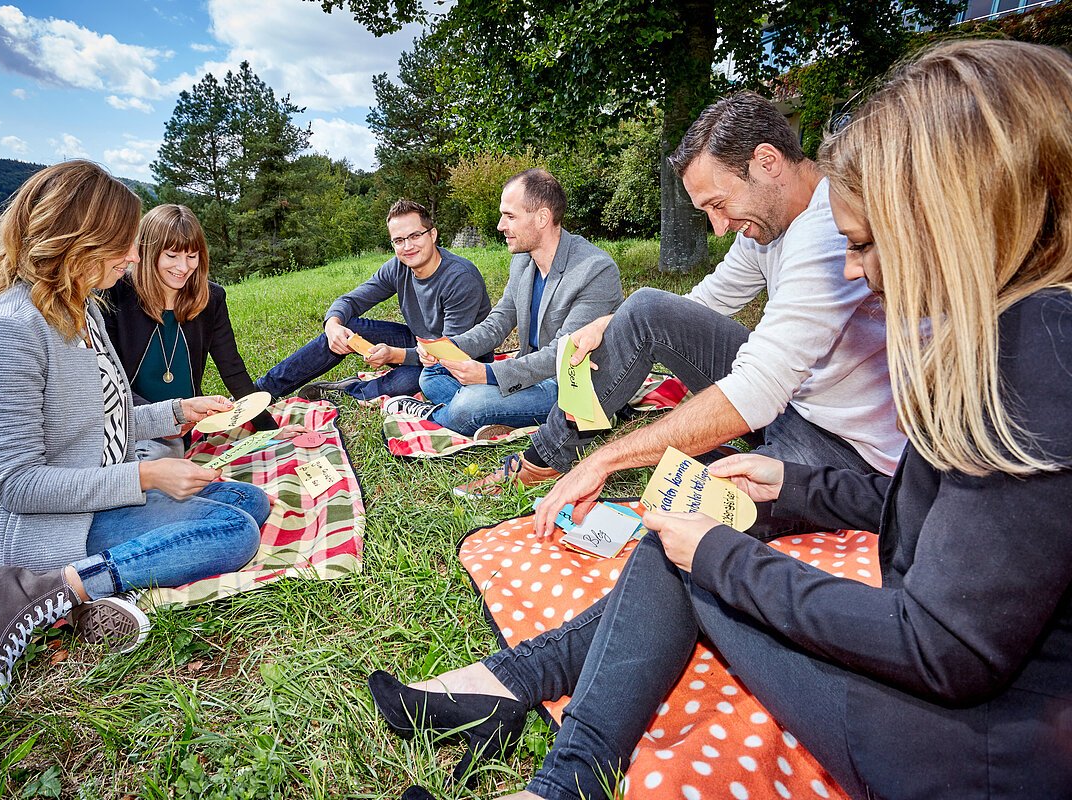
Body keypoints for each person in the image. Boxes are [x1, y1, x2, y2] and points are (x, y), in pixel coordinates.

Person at [369, 39, 1072, 800]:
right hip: (824, 469)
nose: (854, 267)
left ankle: (544, 750)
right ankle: (513, 694)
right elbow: (924, 504)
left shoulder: (1027, 353)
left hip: (950, 736)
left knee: (683, 543)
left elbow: (941, 642)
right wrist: (790, 486)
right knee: (680, 500)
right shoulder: (1012, 334)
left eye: (867, 244)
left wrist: (682, 520)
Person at [455, 93, 905, 523]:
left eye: (718, 204)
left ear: (767, 163)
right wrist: (611, 322)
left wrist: (608, 459)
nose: (720, 227)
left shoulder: (830, 231)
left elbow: (758, 388)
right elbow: (703, 301)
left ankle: (741, 467)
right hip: (791, 406)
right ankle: (544, 458)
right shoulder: (769, 223)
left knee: (681, 513)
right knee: (646, 306)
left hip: (844, 447)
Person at [0, 161, 271, 698]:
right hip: (38, 527)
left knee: (252, 503)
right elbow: (18, 486)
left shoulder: (81, 311)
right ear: (78, 242)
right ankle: (38, 592)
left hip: (89, 495)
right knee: (235, 533)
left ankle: (91, 595)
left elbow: (97, 423)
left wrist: (177, 412)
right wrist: (144, 476)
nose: (131, 257)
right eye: (123, 244)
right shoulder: (7, 334)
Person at [383, 169, 623, 439]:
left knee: (470, 404)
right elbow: (499, 321)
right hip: (529, 372)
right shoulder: (523, 259)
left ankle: (439, 414)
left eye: (510, 216)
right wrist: (450, 348)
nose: (500, 225)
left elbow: (561, 354)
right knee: (432, 373)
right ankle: (496, 413)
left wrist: (488, 374)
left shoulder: (595, 270)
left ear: (542, 217)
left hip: (569, 385)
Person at [253, 199, 492, 402]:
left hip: (460, 358)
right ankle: (261, 391)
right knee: (346, 329)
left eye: (415, 236)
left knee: (410, 382)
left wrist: (393, 355)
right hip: (419, 341)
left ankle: (350, 389)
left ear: (432, 234)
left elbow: (448, 352)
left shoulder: (460, 277)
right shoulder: (398, 267)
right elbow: (351, 301)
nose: (407, 246)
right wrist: (332, 325)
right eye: (399, 240)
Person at [102, 204, 259, 460]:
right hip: (132, 425)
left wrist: (269, 428)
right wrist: (163, 419)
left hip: (184, 429)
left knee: (174, 450)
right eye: (172, 255)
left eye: (192, 256)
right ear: (148, 252)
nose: (184, 267)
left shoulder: (212, 298)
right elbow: (111, 385)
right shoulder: (114, 295)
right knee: (158, 455)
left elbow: (232, 368)